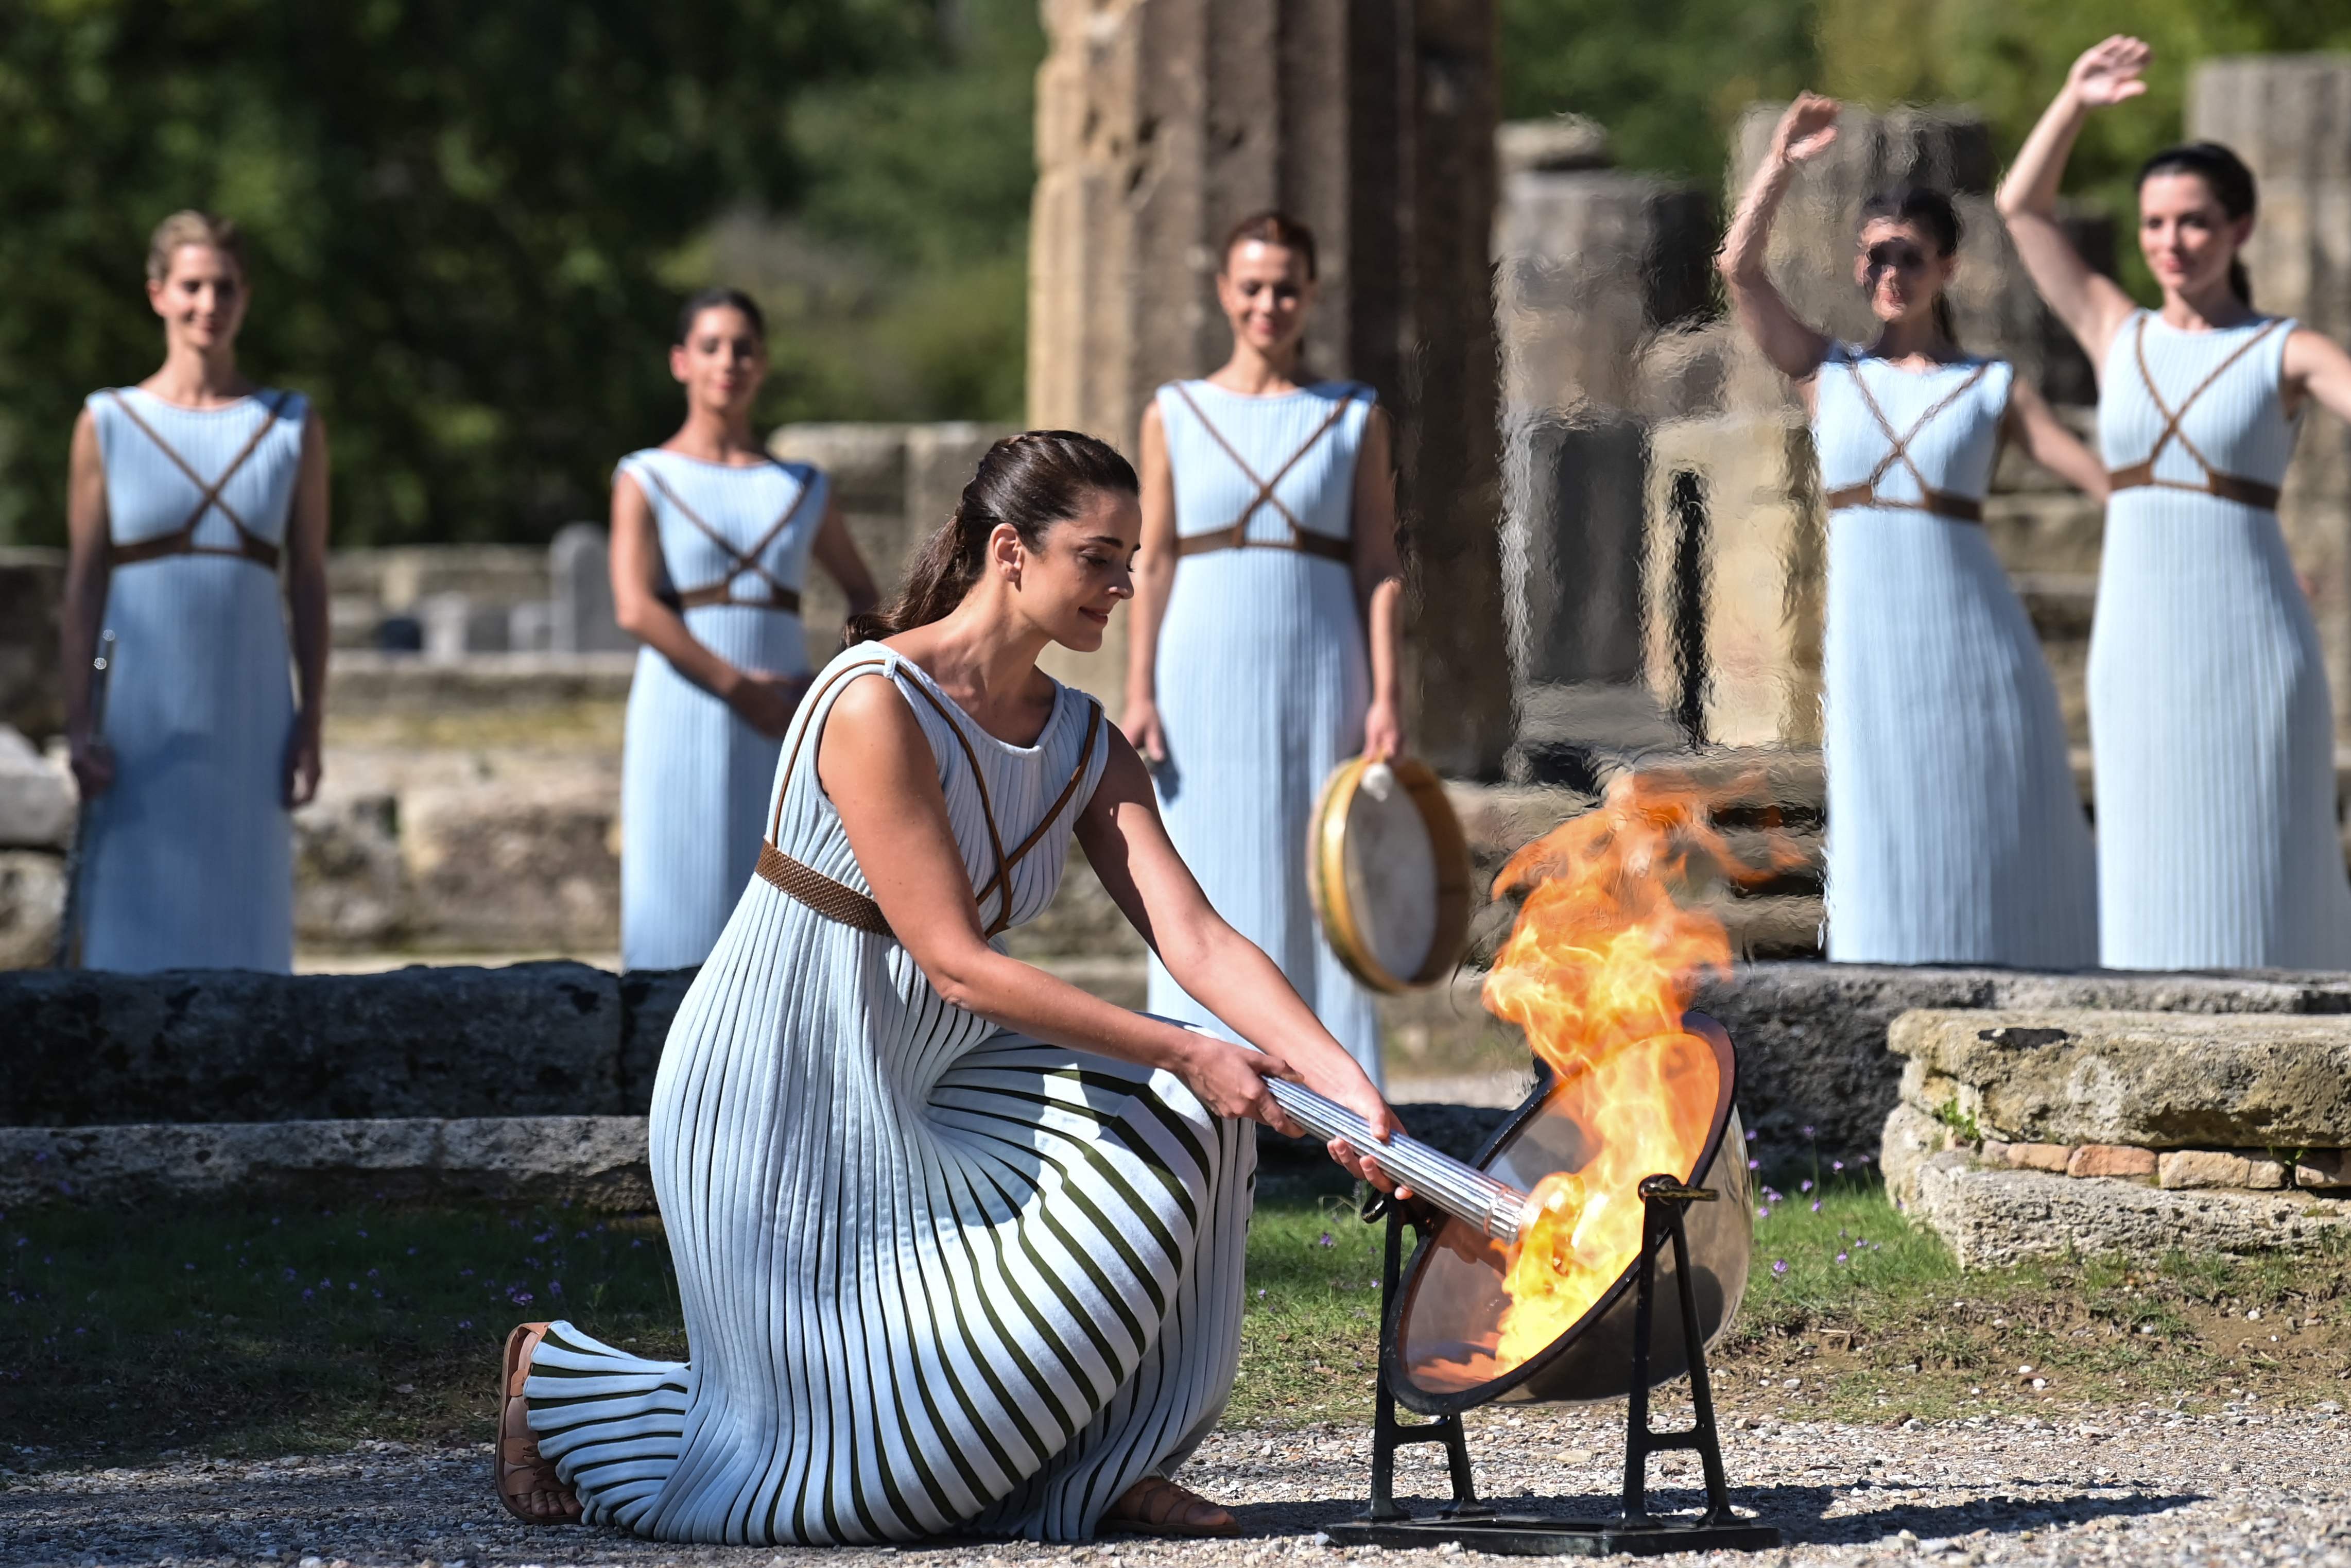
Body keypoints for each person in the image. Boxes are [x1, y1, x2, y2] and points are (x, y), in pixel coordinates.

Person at [496, 432, 1406, 1543]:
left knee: (1194, 1126)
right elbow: (954, 962)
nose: (1124, 586)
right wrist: (1184, 1047)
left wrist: (1343, 1084)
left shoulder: (1082, 739)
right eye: (1100, 557)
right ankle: (561, 1376)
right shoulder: (876, 701)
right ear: (1012, 551)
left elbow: (1197, 936)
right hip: (782, 1088)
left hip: (934, 1079)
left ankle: (1108, 1468)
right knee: (860, 1490)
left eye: (1133, 561)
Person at [1718, 99, 2105, 967]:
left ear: (1945, 267)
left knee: (1990, 801)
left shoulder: (1989, 386)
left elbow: (2095, 478)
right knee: (1880, 808)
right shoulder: (1826, 371)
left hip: (1973, 633)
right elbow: (1738, 270)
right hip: (1870, 636)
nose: (1890, 271)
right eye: (1875, 255)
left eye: (1909, 256)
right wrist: (1778, 165)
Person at [2000, 37, 2351, 970]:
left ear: (2237, 230)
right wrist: (2074, 100)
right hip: (2139, 640)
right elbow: (2019, 208)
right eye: (2154, 223)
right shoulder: (2116, 329)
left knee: (2270, 858)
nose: (2169, 243)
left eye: (2192, 223)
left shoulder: (2287, 350)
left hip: (2251, 640)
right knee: (2149, 861)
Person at [1120, 211, 1404, 1084]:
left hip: (1322, 661)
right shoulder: (1174, 411)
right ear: (1224, 293)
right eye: (1252, 287)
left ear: (1311, 295)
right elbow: (1155, 557)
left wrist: (1387, 694)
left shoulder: (1352, 415)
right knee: (1202, 855)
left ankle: (1334, 1087)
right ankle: (1202, 1073)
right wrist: (1139, 690)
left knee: (1319, 870)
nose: (1268, 304)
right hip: (1200, 659)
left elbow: (1379, 564)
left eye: (1286, 287)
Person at [57, 211, 330, 973]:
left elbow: (308, 579)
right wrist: (78, 723)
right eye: (192, 286)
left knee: (246, 914)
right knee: (130, 925)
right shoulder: (108, 421)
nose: (208, 304)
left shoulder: (290, 424)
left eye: (225, 287)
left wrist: (311, 719)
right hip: (139, 720)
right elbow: (83, 585)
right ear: (158, 294)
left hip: (251, 711)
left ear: (246, 297)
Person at [610, 288, 879, 971]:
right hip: (685, 703)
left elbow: (862, 593)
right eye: (711, 347)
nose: (728, 361)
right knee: (676, 892)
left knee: (774, 895)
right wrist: (737, 687)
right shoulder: (647, 475)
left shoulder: (800, 485)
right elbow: (635, 606)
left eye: (743, 347)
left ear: (761, 364)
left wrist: (827, 689)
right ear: (681, 362)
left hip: (785, 712)